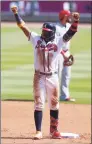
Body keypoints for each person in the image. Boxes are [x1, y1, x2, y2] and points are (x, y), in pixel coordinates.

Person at [11, 5, 79, 139]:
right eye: (43, 31)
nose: (44, 33)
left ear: (52, 32)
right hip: (39, 77)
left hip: (53, 77)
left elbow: (71, 32)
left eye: (47, 32)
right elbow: (23, 27)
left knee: (54, 103)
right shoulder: (36, 38)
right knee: (39, 103)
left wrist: (76, 21)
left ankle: (54, 131)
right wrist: (16, 14)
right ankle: (38, 131)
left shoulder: (59, 41)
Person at [56, 10, 76, 101]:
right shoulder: (56, 27)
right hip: (58, 53)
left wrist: (76, 20)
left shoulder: (68, 26)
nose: (70, 17)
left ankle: (64, 96)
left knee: (67, 75)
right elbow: (55, 44)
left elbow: (74, 29)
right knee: (56, 75)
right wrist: (64, 55)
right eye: (68, 16)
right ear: (64, 16)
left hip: (67, 52)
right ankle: (53, 95)